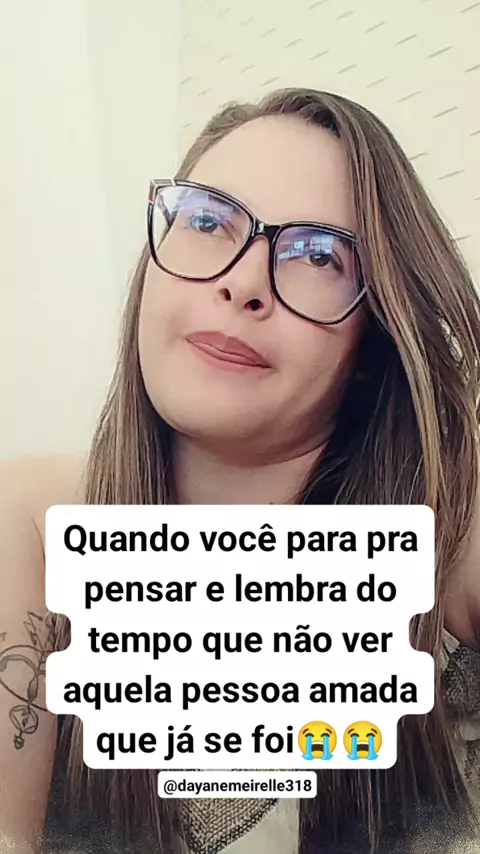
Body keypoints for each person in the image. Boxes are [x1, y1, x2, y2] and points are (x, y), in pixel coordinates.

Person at [0, 86, 479, 854]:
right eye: (206, 220)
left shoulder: (445, 538)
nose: (244, 282)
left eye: (319, 256)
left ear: (376, 335)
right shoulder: (28, 525)